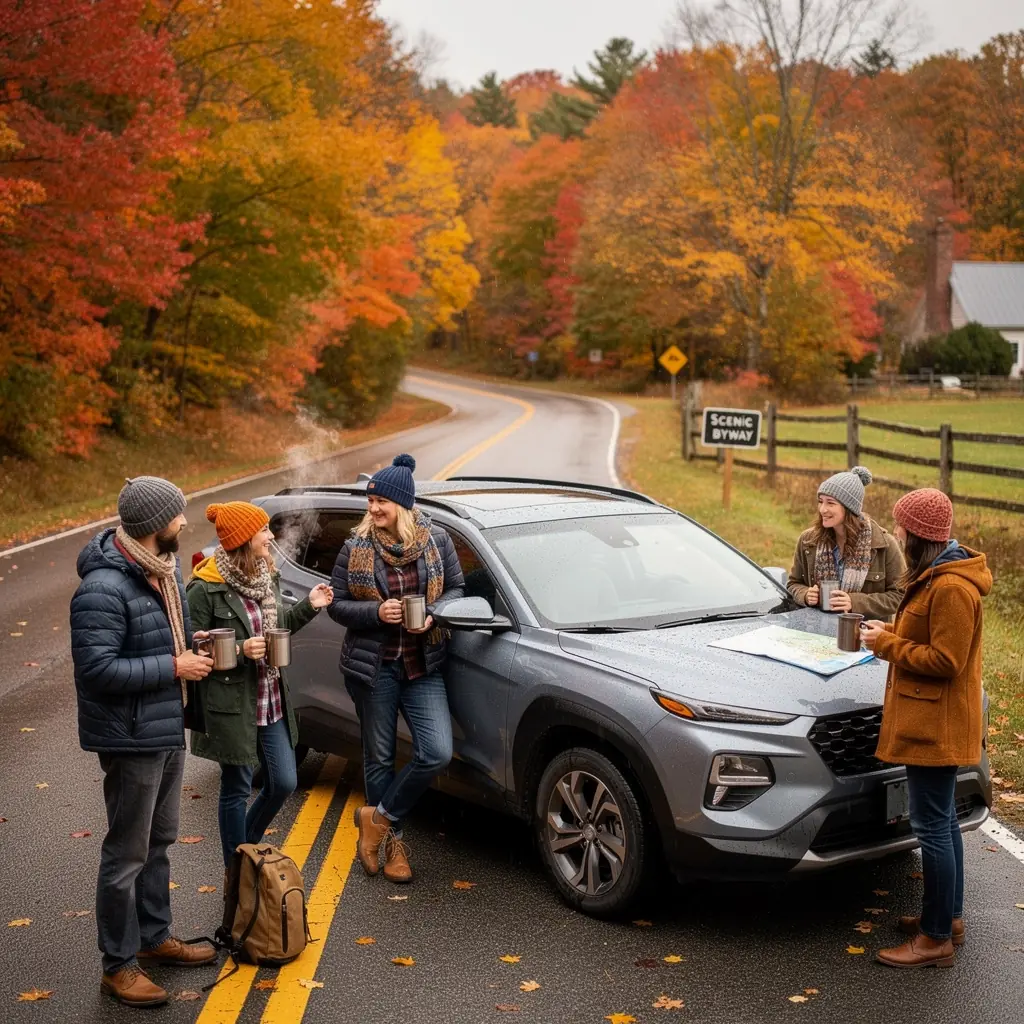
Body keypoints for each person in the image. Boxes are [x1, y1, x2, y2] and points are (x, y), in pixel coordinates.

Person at [71, 477, 217, 1008]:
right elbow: (97, 669)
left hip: (165, 724)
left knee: (159, 843)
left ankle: (154, 939)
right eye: (179, 515)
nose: (185, 521)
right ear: (158, 524)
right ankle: (118, 964)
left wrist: (188, 643)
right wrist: (173, 665)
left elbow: (157, 639)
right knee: (126, 853)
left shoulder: (160, 571)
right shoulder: (103, 589)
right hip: (131, 736)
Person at [861, 488, 991, 969]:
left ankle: (935, 939)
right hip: (930, 720)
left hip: (937, 726)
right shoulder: (935, 576)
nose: (895, 533)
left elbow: (947, 661)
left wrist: (887, 643)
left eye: (900, 528)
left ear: (918, 536)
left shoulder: (953, 588)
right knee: (942, 822)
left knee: (932, 826)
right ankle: (948, 918)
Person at [329, 454, 464, 884]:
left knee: (436, 751)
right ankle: (392, 845)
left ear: (402, 505)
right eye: (370, 501)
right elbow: (336, 602)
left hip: (423, 665)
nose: (372, 510)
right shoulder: (356, 547)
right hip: (374, 669)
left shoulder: (436, 540)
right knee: (380, 758)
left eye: (381, 502)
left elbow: (458, 588)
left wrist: (436, 614)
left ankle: (379, 819)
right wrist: (375, 612)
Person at [186, 502, 333, 867]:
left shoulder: (267, 575)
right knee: (235, 788)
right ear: (242, 539)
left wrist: (310, 606)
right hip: (232, 704)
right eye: (263, 531)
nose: (270, 537)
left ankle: (245, 850)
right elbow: (193, 648)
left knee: (284, 781)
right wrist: (238, 649)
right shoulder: (204, 589)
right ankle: (237, 872)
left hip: (271, 698)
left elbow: (277, 628)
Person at [787, 466, 904, 618]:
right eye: (820, 501)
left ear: (849, 509)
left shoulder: (884, 545)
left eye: (830, 503)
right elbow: (793, 584)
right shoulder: (808, 541)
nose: (822, 509)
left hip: (863, 635)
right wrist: (805, 594)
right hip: (817, 631)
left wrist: (855, 603)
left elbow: (900, 595)